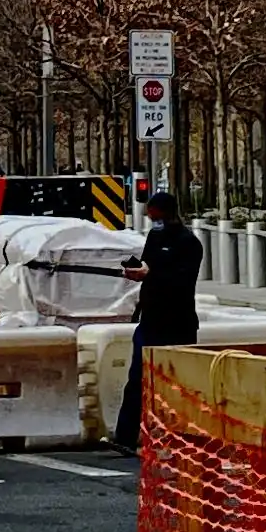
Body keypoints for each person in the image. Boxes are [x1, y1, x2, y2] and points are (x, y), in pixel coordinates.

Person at [112, 188, 203, 451]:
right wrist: (139, 272)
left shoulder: (188, 242)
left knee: (178, 384)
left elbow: (180, 280)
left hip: (177, 322)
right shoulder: (154, 236)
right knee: (136, 380)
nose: (154, 221)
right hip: (150, 319)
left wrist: (150, 274)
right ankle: (125, 437)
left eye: (157, 216)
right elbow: (148, 265)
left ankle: (182, 437)